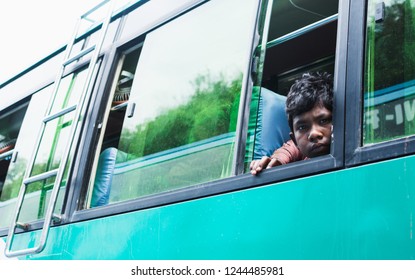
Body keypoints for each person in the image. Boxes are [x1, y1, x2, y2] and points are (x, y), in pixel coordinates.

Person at [250, 72, 333, 175]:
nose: (314, 133)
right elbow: (286, 151)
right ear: (294, 139)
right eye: (302, 127)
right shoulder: (298, 151)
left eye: (323, 121)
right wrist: (274, 162)